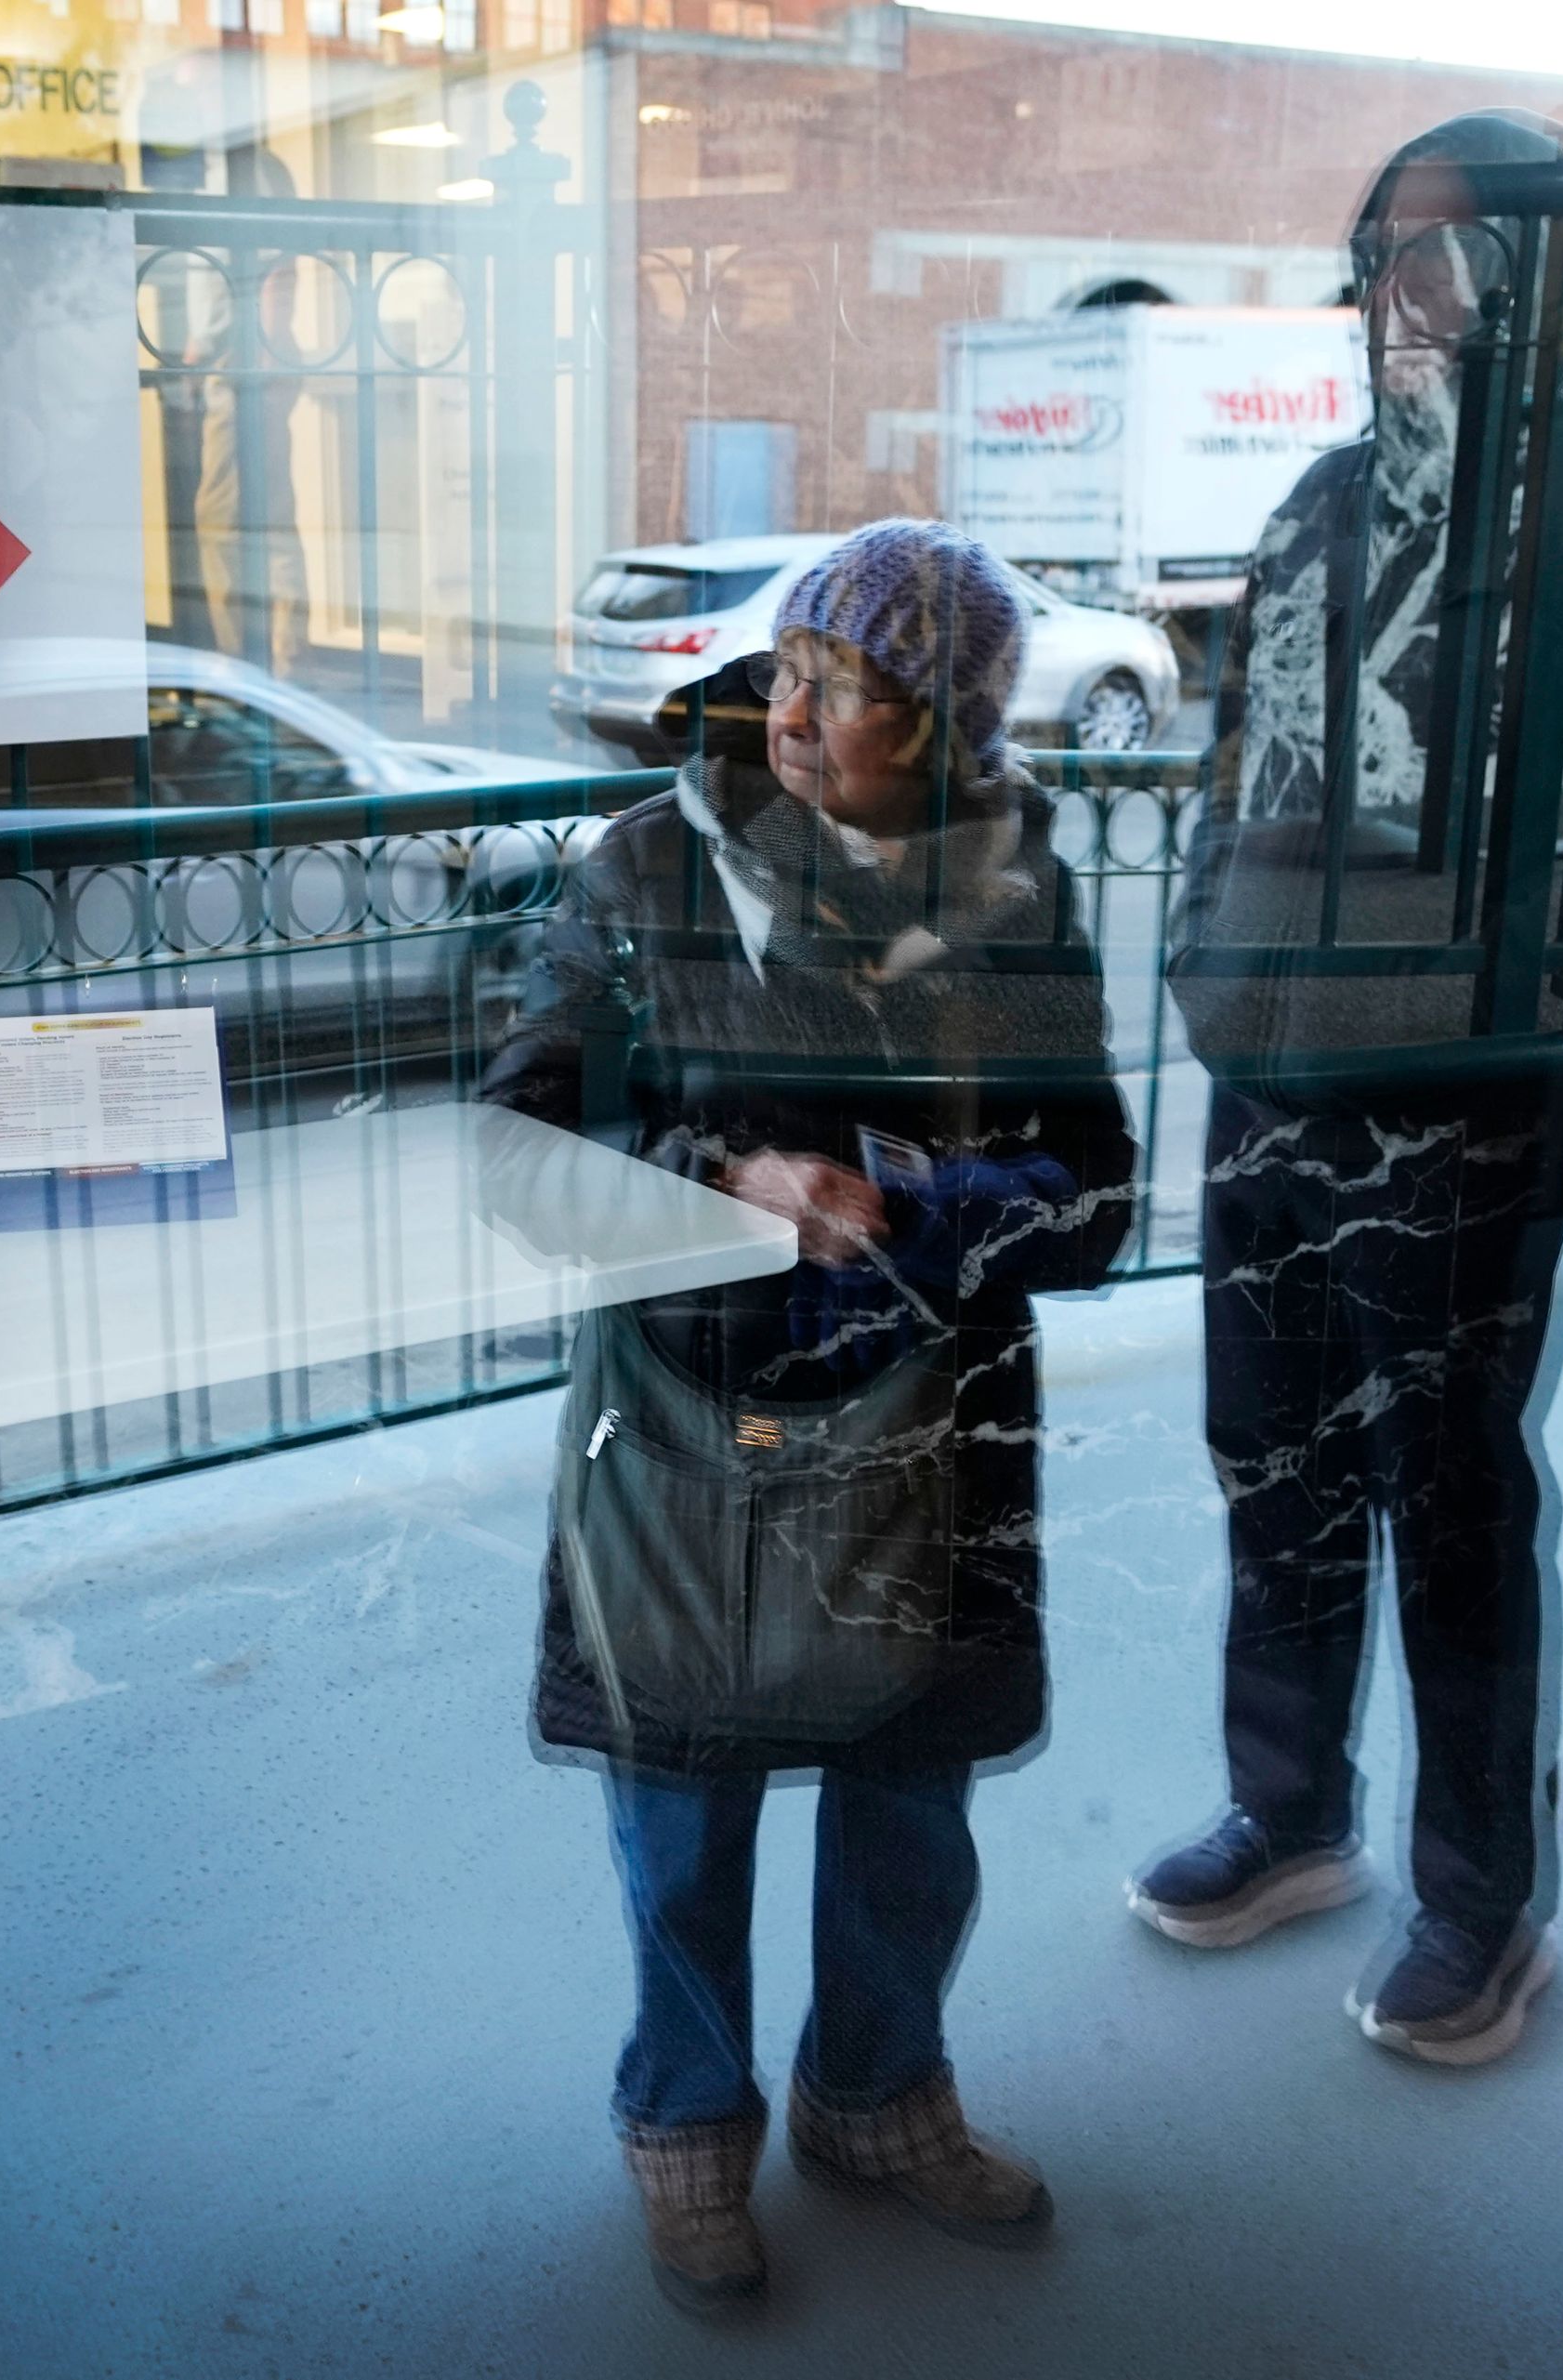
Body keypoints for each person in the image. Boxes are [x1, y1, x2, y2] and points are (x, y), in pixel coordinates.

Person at [1132, 110, 1563, 2065]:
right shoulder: (1322, 506)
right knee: (1273, 1450)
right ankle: (1295, 1807)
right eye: (1376, 255)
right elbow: (1242, 782)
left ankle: (1483, 1904)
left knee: (1452, 1495)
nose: (1394, 295)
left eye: (1437, 256)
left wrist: (1476, 921)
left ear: (1537, 282)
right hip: (1280, 1084)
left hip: (1468, 1104)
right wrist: (1218, 972)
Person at [478, 519, 1136, 2314]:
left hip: (933, 1429)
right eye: (793, 667)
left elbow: (1099, 1190)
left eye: (853, 690)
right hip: (692, 1418)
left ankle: (878, 2097)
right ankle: (687, 2125)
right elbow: (521, 1148)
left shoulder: (1018, 896)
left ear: (946, 726)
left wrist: (911, 1196)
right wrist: (728, 1177)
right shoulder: (643, 874)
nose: (797, 711)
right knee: (683, 1795)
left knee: (910, 1793)